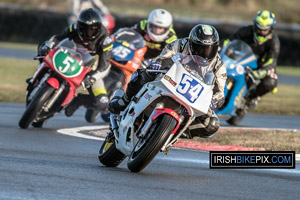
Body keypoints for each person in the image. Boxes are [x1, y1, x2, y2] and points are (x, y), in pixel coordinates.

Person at [108, 24, 227, 138]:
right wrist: (157, 64)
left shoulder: (219, 66)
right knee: (142, 75)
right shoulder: (180, 44)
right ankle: (124, 101)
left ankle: (178, 131)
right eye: (199, 48)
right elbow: (163, 57)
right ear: (191, 44)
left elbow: (220, 92)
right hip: (171, 78)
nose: (203, 53)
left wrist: (214, 102)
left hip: (193, 94)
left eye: (208, 49)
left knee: (212, 124)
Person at [38, 8, 113, 117]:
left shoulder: (105, 40)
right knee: (42, 48)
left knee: (102, 101)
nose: (88, 32)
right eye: (84, 28)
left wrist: (93, 76)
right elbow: (57, 38)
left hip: (90, 69)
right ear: (79, 25)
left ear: (98, 28)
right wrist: (49, 46)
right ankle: (38, 76)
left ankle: (78, 100)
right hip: (69, 57)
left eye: (92, 29)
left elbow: (104, 65)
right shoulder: (74, 27)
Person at [224, 10, 280, 109]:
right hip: (241, 60)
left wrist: (263, 70)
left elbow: (272, 60)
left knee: (271, 82)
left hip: (260, 65)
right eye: (259, 29)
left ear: (271, 29)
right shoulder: (245, 31)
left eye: (265, 30)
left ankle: (252, 97)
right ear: (255, 26)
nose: (261, 33)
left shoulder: (274, 42)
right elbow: (230, 42)